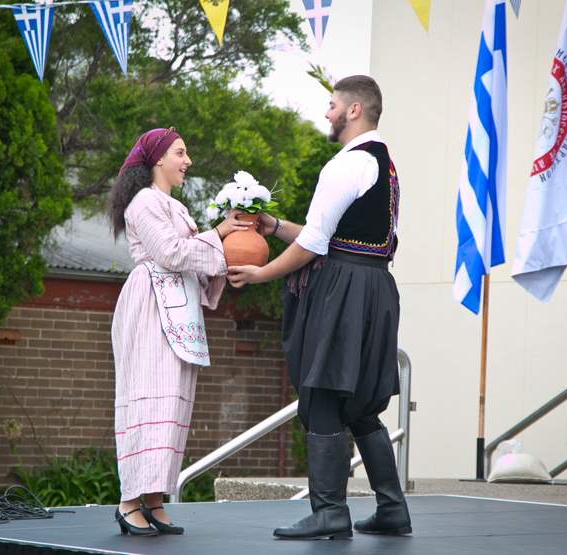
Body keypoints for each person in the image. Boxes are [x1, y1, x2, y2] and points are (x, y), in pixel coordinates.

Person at [228, 76, 411, 540]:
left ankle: (329, 510)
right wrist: (272, 226)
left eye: (332, 105)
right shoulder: (384, 164)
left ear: (354, 111)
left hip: (345, 289)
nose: (326, 114)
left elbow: (314, 244)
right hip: (376, 286)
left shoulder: (345, 165)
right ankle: (392, 509)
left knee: (325, 393)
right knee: (362, 405)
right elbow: (330, 237)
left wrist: (260, 273)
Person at [108, 127, 250, 536]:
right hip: (151, 304)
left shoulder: (175, 205)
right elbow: (170, 254)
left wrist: (229, 257)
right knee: (147, 399)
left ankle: (153, 499)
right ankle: (128, 501)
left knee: (172, 403)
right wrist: (221, 234)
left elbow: (192, 257)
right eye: (180, 153)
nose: (187, 161)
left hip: (178, 309)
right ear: (157, 160)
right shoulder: (143, 202)